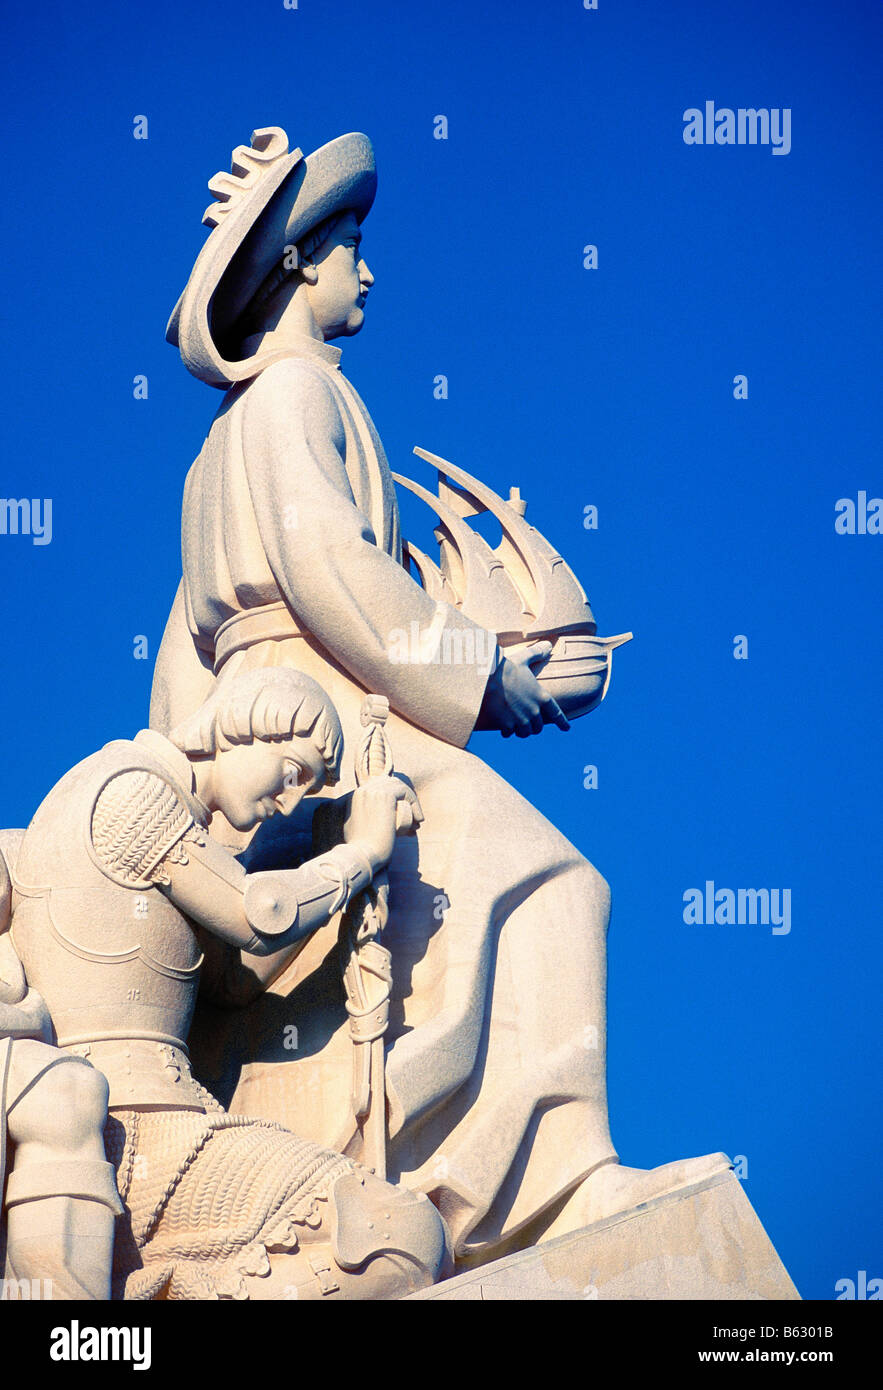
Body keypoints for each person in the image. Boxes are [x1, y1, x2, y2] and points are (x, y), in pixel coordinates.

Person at [151, 128, 728, 1266]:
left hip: (272, 721)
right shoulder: (291, 399)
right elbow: (336, 573)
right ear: (300, 263)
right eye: (350, 248)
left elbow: (183, 642)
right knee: (547, 871)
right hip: (312, 721)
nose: (368, 272)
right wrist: (492, 678)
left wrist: (185, 763)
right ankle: (547, 1187)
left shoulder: (229, 438)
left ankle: (468, 1167)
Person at [7, 668, 448, 1300]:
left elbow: (233, 980)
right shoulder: (130, 791)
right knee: (397, 1236)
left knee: (390, 1239)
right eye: (292, 771)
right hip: (134, 1130)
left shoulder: (165, 817)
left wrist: (332, 855)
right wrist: (363, 855)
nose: (291, 801)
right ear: (245, 727)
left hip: (156, 1129)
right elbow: (258, 916)